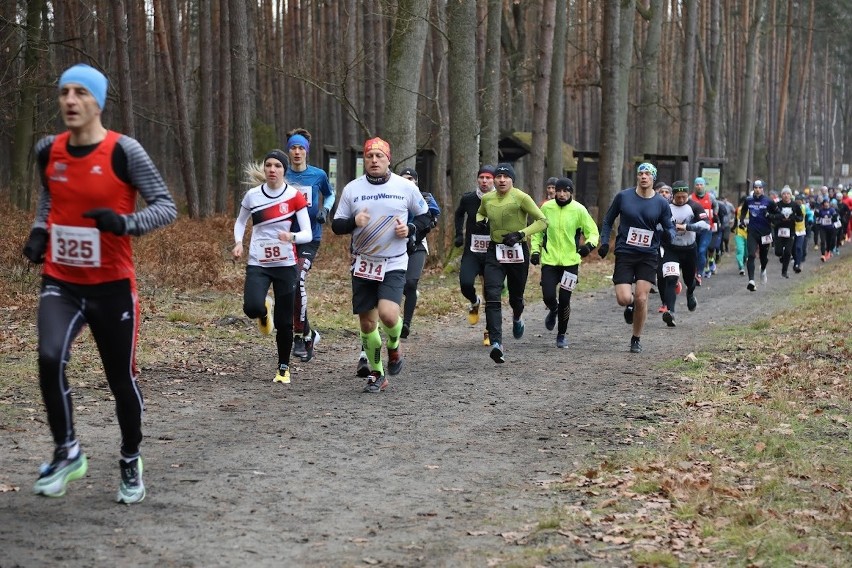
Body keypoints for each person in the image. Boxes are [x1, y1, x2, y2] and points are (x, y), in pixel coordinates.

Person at [22, 63, 178, 503]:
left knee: (120, 380)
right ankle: (68, 449)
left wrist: (124, 223)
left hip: (112, 286)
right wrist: (40, 230)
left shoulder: (124, 152)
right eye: (64, 92)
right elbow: (51, 193)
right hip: (62, 280)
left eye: (80, 93)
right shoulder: (47, 149)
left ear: (98, 103)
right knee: (50, 357)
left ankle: (130, 457)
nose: (70, 100)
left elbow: (166, 206)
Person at [331, 137, 431, 392]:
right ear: (364, 160)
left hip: (394, 262)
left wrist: (409, 229)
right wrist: (354, 221)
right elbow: (337, 224)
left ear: (389, 160)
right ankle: (377, 373)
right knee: (367, 324)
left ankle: (394, 345)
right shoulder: (353, 188)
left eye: (379, 156)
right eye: (369, 157)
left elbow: (426, 218)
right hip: (363, 263)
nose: (374, 161)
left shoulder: (405, 187)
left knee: (388, 315)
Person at [233, 149, 313, 386]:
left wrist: (292, 237)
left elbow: (307, 233)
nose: (271, 170)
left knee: (284, 323)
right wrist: (238, 243)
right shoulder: (252, 196)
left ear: (284, 170)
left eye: (277, 166)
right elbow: (240, 222)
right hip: (258, 261)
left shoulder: (295, 197)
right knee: (251, 307)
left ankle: (283, 367)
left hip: (286, 265)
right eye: (268, 165)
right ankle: (264, 309)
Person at [598, 162, 675, 353]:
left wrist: (668, 235)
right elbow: (608, 220)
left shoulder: (661, 203)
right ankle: (630, 306)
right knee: (624, 299)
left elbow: (670, 228)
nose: (643, 176)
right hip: (625, 252)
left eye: (647, 174)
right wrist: (605, 242)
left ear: (653, 178)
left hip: (648, 255)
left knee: (642, 298)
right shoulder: (624, 197)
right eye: (641, 173)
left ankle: (636, 338)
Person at [476, 163, 547, 363]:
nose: (501, 180)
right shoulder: (488, 198)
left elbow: (542, 221)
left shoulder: (521, 197)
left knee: (516, 297)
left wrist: (520, 234)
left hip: (517, 252)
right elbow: (481, 212)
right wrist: (481, 220)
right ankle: (497, 343)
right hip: (495, 251)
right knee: (492, 294)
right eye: (498, 176)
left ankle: (517, 316)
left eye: (505, 177)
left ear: (512, 180)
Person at [283, 128, 335, 363]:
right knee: (288, 287)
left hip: (310, 238)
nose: (296, 152)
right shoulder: (281, 173)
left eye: (300, 148)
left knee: (297, 279)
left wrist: (325, 209)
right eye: (293, 147)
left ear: (306, 151)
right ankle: (309, 333)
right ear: (288, 151)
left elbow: (331, 195)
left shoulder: (318, 175)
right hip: (285, 238)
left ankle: (298, 337)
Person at [530, 178, 599, 348]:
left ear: (571, 192)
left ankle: (561, 335)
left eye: (565, 191)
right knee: (548, 295)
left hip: (570, 262)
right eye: (559, 191)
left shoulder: (579, 210)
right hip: (550, 260)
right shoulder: (546, 207)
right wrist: (535, 251)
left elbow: (593, 232)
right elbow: (537, 231)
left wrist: (588, 246)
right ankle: (553, 309)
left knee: (565, 298)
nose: (561, 194)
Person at [453, 165, 495, 346]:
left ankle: (489, 332)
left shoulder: (500, 199)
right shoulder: (469, 198)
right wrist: (458, 234)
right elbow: (458, 214)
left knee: (490, 293)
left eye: (488, 178)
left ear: (493, 180)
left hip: (492, 252)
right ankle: (474, 301)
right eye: (481, 178)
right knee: (465, 284)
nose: (484, 181)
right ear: (477, 179)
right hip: (472, 251)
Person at [397, 167, 441, 338]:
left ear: (416, 181)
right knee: (398, 284)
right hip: (395, 245)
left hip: (417, 245)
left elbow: (433, 216)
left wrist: (428, 224)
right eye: (404, 178)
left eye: (410, 178)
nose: (407, 181)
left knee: (411, 283)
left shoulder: (425, 197)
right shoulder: (392, 197)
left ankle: (406, 323)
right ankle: (394, 318)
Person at [659, 181, 709, 325]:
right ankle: (671, 312)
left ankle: (690, 293)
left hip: (689, 249)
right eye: (678, 197)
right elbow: (657, 223)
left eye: (684, 196)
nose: (681, 200)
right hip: (671, 249)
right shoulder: (666, 207)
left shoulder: (694, 206)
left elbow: (705, 225)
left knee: (689, 280)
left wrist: (686, 226)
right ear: (673, 195)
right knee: (671, 278)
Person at [739, 179, 778, 291]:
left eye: (760, 188)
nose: (757, 189)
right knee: (751, 255)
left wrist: (771, 216)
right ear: (753, 188)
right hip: (752, 231)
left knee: (763, 257)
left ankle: (763, 269)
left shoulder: (769, 201)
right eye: (756, 187)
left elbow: (777, 213)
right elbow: (743, 210)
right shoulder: (748, 200)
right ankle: (751, 281)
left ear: (763, 189)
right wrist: (742, 220)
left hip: (765, 232)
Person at [770, 186, 803, 278]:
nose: (786, 196)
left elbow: (801, 217)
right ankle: (781, 256)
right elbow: (771, 216)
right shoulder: (777, 205)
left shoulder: (795, 205)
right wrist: (778, 219)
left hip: (790, 232)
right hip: (779, 231)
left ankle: (784, 271)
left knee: (788, 252)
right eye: (784, 194)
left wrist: (794, 218)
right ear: (781, 195)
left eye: (788, 194)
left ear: (791, 195)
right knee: (778, 252)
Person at [690, 177, 718, 279]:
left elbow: (716, 205)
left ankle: (699, 274)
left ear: (704, 186)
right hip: (693, 229)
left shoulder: (710, 197)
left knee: (702, 250)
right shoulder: (690, 197)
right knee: (694, 251)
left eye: (701, 184)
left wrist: (714, 213)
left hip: (706, 229)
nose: (699, 186)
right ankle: (696, 270)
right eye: (697, 184)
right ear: (694, 186)